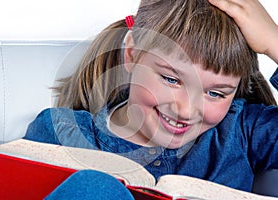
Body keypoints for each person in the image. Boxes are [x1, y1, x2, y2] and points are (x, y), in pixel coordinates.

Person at [24, 0, 278, 196]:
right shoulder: (62, 133)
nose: (186, 110)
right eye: (171, 79)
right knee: (97, 187)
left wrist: (273, 42)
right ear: (132, 54)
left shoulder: (244, 131)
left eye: (215, 93)